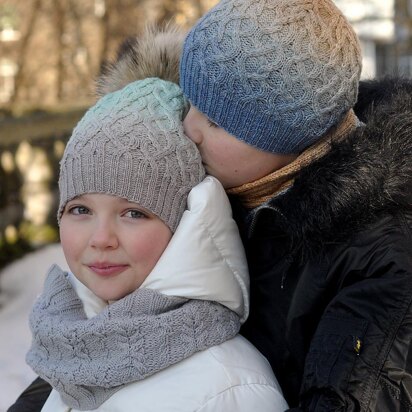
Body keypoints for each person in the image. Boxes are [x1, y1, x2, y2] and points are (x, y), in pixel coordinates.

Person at [11, 29, 288, 412]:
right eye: (80, 210)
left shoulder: (229, 391)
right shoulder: (71, 351)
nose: (101, 238)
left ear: (185, 225)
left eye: (134, 213)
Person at [177, 0, 412, 410]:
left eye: (216, 121)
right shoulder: (216, 185)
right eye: (189, 101)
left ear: (290, 136)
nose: (187, 129)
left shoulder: (383, 265)